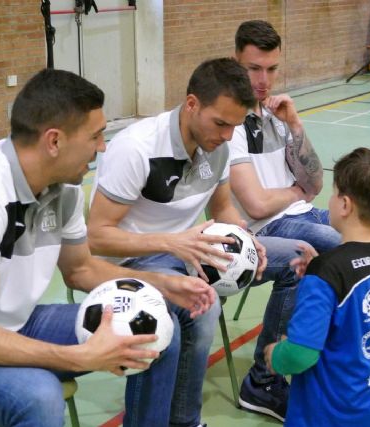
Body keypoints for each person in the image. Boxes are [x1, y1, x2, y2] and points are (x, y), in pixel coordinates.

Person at [0, 68, 216, 426]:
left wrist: (160, 283)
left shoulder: (65, 188)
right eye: (96, 136)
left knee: (154, 332)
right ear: (54, 141)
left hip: (19, 324)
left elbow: (81, 270)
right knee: (39, 395)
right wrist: (78, 357)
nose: (103, 147)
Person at [230, 19, 370, 420]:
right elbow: (254, 205)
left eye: (271, 69)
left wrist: (296, 125)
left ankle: (341, 321)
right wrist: (295, 191)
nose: (264, 80)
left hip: (306, 214)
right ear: (237, 62)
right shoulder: (230, 121)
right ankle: (263, 380)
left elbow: (317, 180)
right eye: (254, 69)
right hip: (263, 231)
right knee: (333, 247)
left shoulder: (276, 117)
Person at [86, 57, 277, 427]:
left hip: (187, 251)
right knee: (192, 316)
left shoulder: (219, 144)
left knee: (305, 259)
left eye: (234, 126)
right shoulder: (136, 148)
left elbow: (223, 208)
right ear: (192, 104)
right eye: (220, 123)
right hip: (131, 260)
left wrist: (248, 240)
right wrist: (173, 243)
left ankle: (252, 391)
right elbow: (96, 238)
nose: (226, 136)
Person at [263, 147, 370, 427]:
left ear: (344, 205)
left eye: (333, 193)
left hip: (334, 414)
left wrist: (276, 355)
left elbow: (301, 354)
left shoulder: (327, 272)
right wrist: (321, 271)